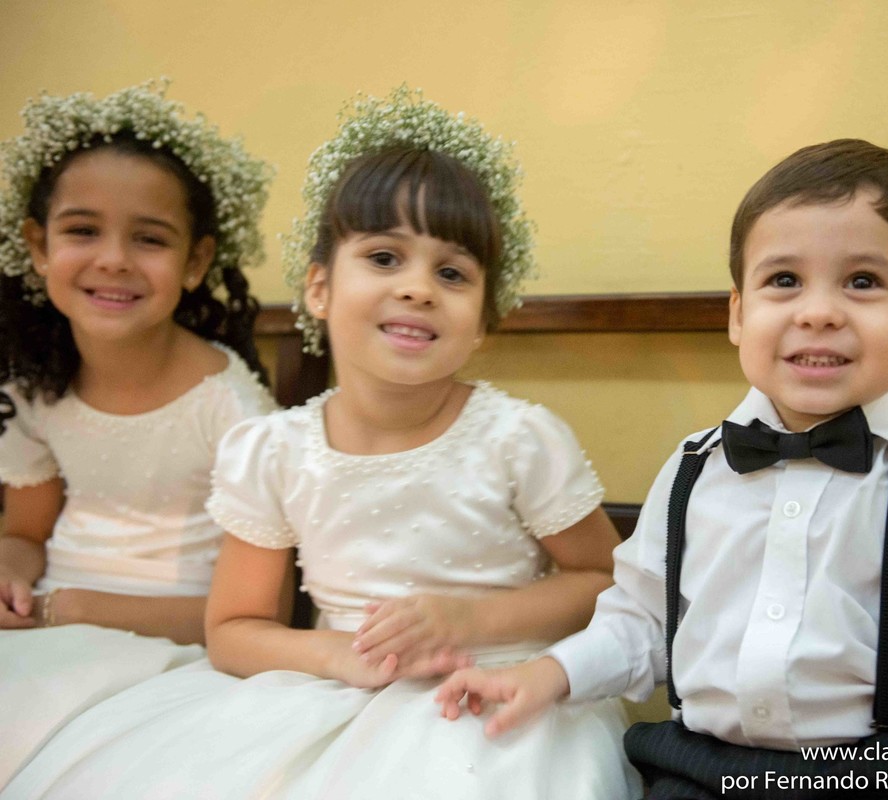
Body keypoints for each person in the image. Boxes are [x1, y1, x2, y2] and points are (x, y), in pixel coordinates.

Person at [5, 87, 640, 800]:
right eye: (383, 257)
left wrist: (469, 617)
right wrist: (338, 656)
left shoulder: (520, 438)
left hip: (491, 694)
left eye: (452, 273)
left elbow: (610, 584)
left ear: (484, 319)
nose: (419, 289)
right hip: (331, 689)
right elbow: (236, 630)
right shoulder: (273, 450)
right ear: (317, 288)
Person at [437, 139, 888, 799]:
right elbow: (640, 623)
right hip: (689, 775)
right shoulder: (691, 472)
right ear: (739, 314)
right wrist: (549, 673)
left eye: (862, 281)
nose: (818, 312)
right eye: (784, 280)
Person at [0, 81, 276, 785]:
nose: (114, 259)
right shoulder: (36, 389)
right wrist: (11, 575)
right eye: (82, 230)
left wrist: (71, 609)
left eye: (148, 239)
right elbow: (27, 534)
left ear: (194, 261)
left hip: (180, 649)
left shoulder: (233, 409)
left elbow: (260, 611)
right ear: (37, 246)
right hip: (42, 628)